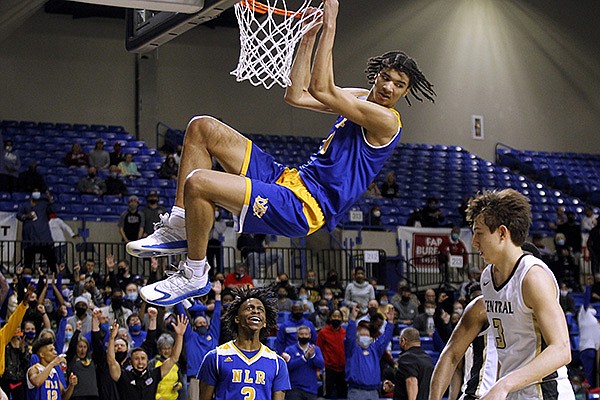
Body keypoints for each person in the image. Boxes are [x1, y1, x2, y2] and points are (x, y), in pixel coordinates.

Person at [126, 0, 435, 306]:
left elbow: (322, 89)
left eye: (400, 85)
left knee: (198, 183)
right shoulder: (359, 97)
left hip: (304, 206)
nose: (390, 88)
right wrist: (307, 37)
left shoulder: (387, 121)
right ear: (377, 75)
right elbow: (297, 94)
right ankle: (181, 223)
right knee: (201, 128)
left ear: (405, 92)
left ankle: (195, 273)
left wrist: (330, 26)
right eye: (387, 78)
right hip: (290, 179)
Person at [435, 188, 574, 400]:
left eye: (479, 233)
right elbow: (506, 349)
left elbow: (562, 350)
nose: (473, 242)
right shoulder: (488, 278)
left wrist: (503, 385)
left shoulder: (532, 277)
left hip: (546, 391)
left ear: (502, 233)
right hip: (513, 390)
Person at [197, 287, 290, 400]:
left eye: (260, 309)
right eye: (249, 308)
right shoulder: (215, 357)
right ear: (237, 318)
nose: (255, 311)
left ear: (265, 322)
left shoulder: (277, 363)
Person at [107, 315, 187, 400]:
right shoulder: (123, 376)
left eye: (143, 358)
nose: (140, 362)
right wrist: (112, 338)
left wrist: (179, 335)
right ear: (130, 362)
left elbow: (174, 358)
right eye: (136, 359)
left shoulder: (154, 375)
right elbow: (111, 361)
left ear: (148, 361)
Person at [345, 304, 395, 400]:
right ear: (357, 338)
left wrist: (390, 322)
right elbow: (349, 337)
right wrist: (352, 320)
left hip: (374, 392)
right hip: (356, 391)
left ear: (371, 338)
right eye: (362, 335)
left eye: (367, 335)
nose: (365, 337)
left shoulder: (375, 349)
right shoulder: (352, 349)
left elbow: (385, 339)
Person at [182, 281, 222, 399]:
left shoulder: (213, 335)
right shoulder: (191, 336)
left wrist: (218, 295)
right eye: (199, 323)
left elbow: (216, 317)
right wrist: (178, 299)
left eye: (204, 323)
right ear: (194, 327)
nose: (202, 324)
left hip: (214, 378)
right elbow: (182, 315)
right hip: (196, 378)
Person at [383, 327, 433, 400]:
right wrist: (395, 388)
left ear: (403, 341)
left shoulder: (406, 358)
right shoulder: (428, 359)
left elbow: (411, 381)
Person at [16, 190, 57, 274]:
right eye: (35, 191)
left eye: (38, 191)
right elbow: (18, 215)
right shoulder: (26, 205)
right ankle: (27, 281)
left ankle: (55, 277)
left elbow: (53, 210)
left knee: (51, 261)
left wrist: (50, 198)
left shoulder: (44, 204)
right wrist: (27, 216)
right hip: (29, 239)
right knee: (28, 263)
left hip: (43, 239)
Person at [281, 325, 325, 400]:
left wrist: (312, 356)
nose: (304, 336)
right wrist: (304, 358)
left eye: (306, 334)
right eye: (301, 334)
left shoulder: (315, 349)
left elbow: (321, 364)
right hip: (294, 389)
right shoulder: (290, 350)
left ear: (310, 336)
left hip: (311, 389)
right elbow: (288, 366)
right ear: (297, 336)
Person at [316, 309, 346, 399]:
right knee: (327, 395)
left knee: (343, 395)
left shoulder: (344, 332)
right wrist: (318, 369)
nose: (336, 318)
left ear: (342, 319)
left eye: (338, 317)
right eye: (334, 316)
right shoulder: (323, 332)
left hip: (343, 369)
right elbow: (318, 350)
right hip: (329, 368)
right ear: (330, 318)